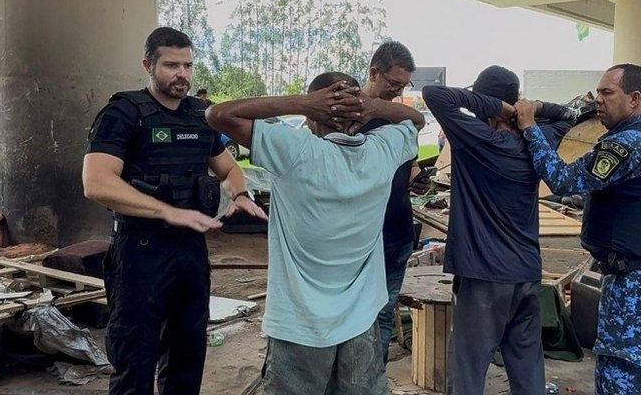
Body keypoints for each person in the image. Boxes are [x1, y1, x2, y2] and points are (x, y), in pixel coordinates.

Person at [206, 72, 425, 395]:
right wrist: (372, 106)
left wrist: (303, 103)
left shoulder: (293, 150)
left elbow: (217, 115)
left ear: (313, 116)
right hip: (360, 323)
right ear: (360, 117)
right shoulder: (383, 151)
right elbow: (416, 119)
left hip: (299, 325)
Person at [82, 27, 260, 395]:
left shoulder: (200, 114)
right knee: (135, 359)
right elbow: (96, 182)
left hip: (191, 253)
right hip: (140, 252)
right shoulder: (125, 111)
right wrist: (167, 211)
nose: (182, 74)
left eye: (188, 65)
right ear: (148, 65)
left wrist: (240, 193)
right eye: (171, 65)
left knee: (187, 355)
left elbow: (228, 167)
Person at [515, 63, 641, 395]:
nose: (599, 101)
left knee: (621, 373)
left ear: (634, 98)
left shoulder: (630, 144)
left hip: (636, 285)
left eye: (608, 93)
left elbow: (564, 180)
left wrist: (529, 128)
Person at [422, 66, 575, 395]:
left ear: (484, 105)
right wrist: (528, 111)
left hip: (484, 278)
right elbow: (568, 116)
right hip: (526, 276)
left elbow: (434, 95)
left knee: (468, 370)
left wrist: (493, 106)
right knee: (527, 369)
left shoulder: (477, 140)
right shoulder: (539, 140)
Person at [359, 40, 424, 363]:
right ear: (374, 72)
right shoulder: (344, 117)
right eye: (393, 84)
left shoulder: (399, 118)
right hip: (359, 238)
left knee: (384, 314)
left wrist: (413, 174)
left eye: (403, 86)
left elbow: (409, 160)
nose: (397, 93)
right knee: (355, 319)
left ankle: (373, 381)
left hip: (396, 232)